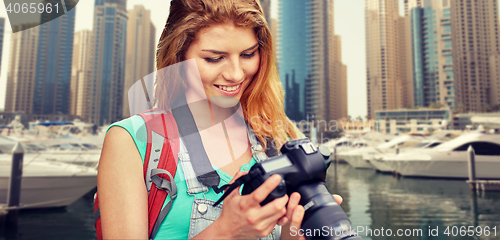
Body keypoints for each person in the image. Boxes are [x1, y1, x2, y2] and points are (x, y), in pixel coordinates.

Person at [97, 0, 342, 239]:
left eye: (248, 54)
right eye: (214, 58)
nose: (235, 74)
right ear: (179, 56)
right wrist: (226, 232)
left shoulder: (280, 135)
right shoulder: (132, 140)